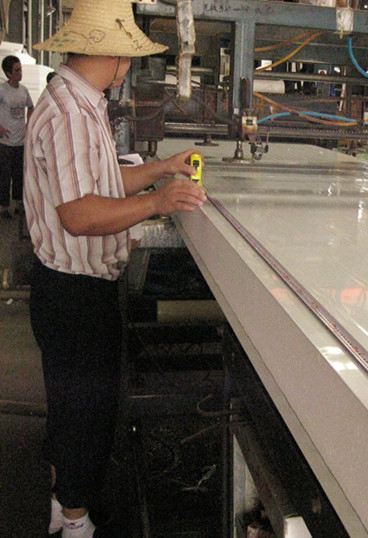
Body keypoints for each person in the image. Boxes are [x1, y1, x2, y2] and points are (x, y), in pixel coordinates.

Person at [23, 1, 207, 536]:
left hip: (70, 289)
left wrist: (161, 170)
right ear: (113, 55)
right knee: (87, 414)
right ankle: (76, 522)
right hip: (75, 293)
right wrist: (158, 202)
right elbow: (81, 215)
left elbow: (101, 181)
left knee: (70, 407)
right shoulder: (71, 115)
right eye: (127, 56)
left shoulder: (78, 101)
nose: (128, 68)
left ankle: (61, 504)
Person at [0, 55, 34, 218]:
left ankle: (19, 203)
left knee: (19, 174)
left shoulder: (24, 90)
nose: (20, 73)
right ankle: (4, 207)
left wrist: (29, 123)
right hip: (5, 141)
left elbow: (31, 107)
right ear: (8, 73)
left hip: (20, 141)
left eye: (21, 69)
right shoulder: (2, 91)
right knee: (4, 175)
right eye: (17, 70)